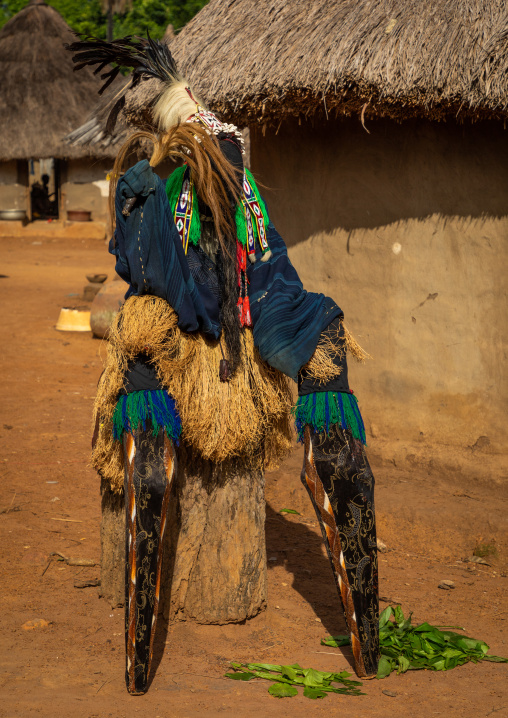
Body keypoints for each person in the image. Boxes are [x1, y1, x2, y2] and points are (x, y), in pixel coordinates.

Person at [68, 36, 380, 695]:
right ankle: (359, 610)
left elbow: (132, 267)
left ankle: (139, 628)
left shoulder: (146, 181)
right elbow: (256, 264)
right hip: (249, 309)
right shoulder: (220, 165)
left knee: (143, 332)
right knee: (314, 329)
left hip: (197, 318)